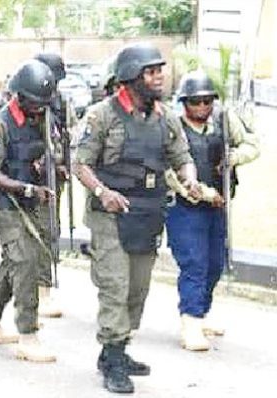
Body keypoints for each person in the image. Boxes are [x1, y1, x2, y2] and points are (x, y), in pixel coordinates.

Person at [73, 43, 201, 394]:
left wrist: (188, 178)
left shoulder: (166, 117)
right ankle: (112, 358)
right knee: (115, 286)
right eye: (151, 72)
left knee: (138, 290)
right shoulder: (102, 116)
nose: (159, 77)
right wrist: (102, 192)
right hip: (110, 213)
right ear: (131, 77)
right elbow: (80, 163)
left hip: (148, 213)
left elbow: (182, 155)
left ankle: (117, 348)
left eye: (160, 70)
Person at [166, 70, 259, 351]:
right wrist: (203, 193)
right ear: (185, 103)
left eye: (208, 101)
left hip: (219, 206)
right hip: (185, 206)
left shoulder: (223, 120)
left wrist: (233, 158)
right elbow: (169, 170)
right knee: (194, 263)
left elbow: (253, 144)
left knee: (215, 264)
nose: (203, 107)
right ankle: (190, 321)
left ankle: (201, 312)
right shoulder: (174, 127)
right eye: (196, 102)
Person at [0, 60, 58, 363]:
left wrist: (50, 167)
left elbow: (50, 153)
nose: (40, 109)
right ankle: (28, 334)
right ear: (19, 96)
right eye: (35, 103)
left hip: (28, 201)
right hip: (1, 203)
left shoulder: (43, 118)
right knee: (25, 260)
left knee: (14, 263)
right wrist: (28, 188)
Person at [33, 51, 81, 318]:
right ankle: (40, 290)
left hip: (55, 179)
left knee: (51, 230)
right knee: (36, 234)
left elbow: (72, 136)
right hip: (29, 180)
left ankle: (42, 286)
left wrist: (65, 162)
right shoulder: (25, 101)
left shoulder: (62, 104)